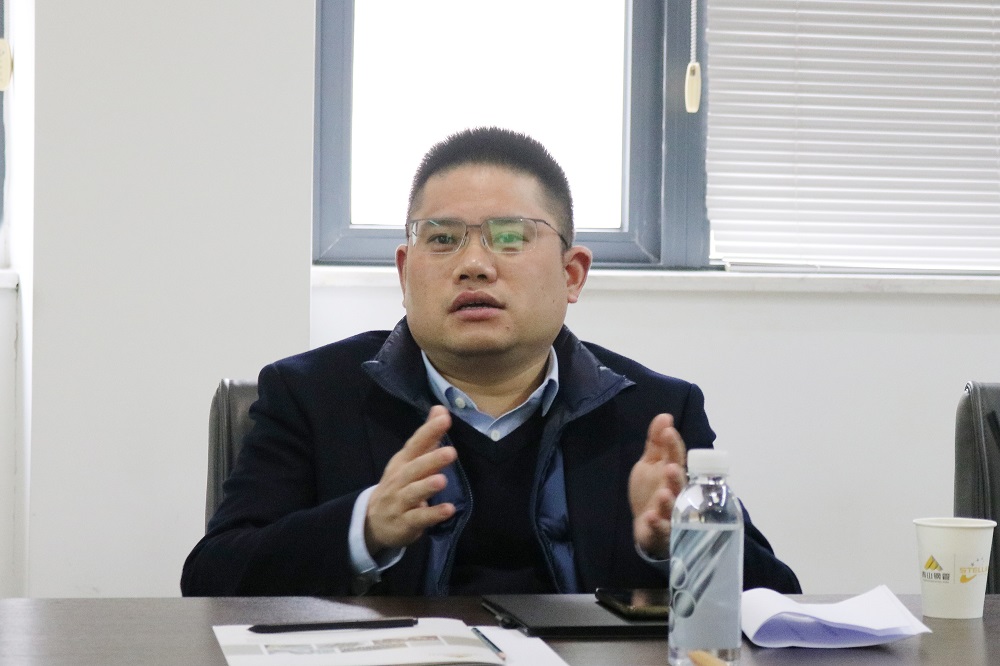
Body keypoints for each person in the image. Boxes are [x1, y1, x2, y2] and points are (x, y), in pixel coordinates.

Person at [181, 127, 800, 597]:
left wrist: (683, 546)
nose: (474, 264)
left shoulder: (654, 412)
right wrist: (363, 527)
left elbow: (778, 599)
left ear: (572, 274)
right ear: (405, 272)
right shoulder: (310, 395)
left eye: (509, 237)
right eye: (442, 239)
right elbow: (211, 578)